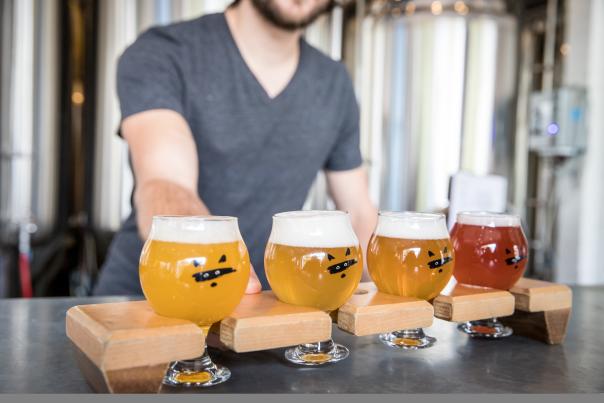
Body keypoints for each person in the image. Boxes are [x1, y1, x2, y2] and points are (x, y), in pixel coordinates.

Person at [93, 0, 378, 296]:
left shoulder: (334, 83)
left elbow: (357, 213)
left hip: (263, 310)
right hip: (146, 301)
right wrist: (218, 266)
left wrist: (398, 287)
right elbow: (166, 181)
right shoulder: (164, 51)